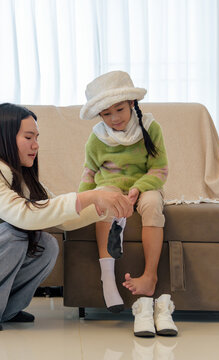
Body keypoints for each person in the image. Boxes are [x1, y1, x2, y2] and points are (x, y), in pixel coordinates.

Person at [0, 103, 133, 332]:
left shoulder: (19, 175)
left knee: (46, 244)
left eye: (36, 137)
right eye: (29, 137)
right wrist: (90, 196)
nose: (36, 145)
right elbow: (22, 216)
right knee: (14, 233)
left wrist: (105, 202)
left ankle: (5, 309)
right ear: (6, 137)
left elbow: (64, 219)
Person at [78, 71, 169, 316]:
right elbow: (89, 173)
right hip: (109, 186)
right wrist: (82, 199)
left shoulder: (151, 128)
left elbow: (160, 169)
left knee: (151, 204)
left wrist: (140, 187)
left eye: (119, 109)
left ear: (131, 103)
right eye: (106, 114)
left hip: (144, 186)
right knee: (105, 200)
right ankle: (107, 279)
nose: (114, 118)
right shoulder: (97, 138)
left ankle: (150, 276)